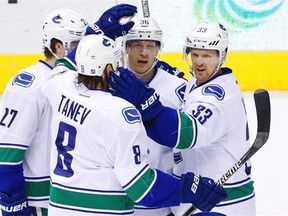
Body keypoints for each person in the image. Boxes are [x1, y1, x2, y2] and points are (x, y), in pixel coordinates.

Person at [42, 33, 226, 216]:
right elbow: (141, 187)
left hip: (59, 208)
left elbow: (63, 65)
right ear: (108, 69)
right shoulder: (120, 114)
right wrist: (187, 190)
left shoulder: (60, 87)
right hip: (102, 211)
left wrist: (96, 30)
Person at [0, 4, 137, 216]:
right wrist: (14, 204)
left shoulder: (78, 82)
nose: (85, 50)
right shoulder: (30, 85)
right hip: (40, 202)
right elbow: (7, 154)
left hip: (66, 199)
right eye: (76, 44)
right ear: (56, 47)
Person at [109, 22, 256, 215]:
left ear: (222, 56)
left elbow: (184, 134)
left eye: (207, 55)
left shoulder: (217, 96)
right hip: (199, 199)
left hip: (220, 203)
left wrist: (146, 102)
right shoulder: (198, 82)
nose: (199, 62)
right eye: (195, 54)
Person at [121, 16, 186, 216]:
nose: (144, 52)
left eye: (150, 45)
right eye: (137, 45)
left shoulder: (177, 89)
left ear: (159, 49)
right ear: (126, 48)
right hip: (118, 198)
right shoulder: (110, 84)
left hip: (160, 200)